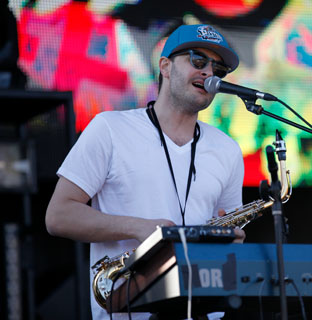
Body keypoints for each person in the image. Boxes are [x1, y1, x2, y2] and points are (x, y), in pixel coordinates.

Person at [45, 24, 245, 320]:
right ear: (165, 66)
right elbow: (58, 216)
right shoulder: (109, 128)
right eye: (198, 61)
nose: (208, 73)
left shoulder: (227, 149)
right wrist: (140, 228)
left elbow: (233, 237)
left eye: (218, 69)